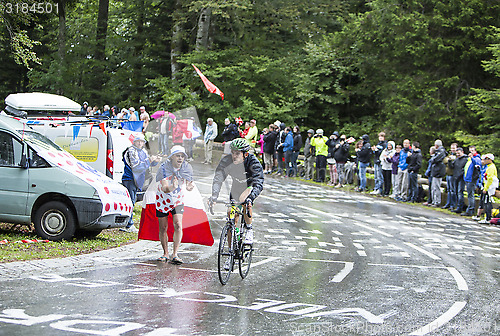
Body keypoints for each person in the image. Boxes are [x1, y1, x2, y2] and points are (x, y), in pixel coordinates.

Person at [209, 138, 264, 246]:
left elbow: (258, 182)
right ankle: (230, 252)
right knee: (231, 214)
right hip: (236, 187)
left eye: (237, 153)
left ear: (246, 154)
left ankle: (249, 229)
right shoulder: (227, 160)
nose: (234, 156)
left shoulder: (253, 162)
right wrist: (214, 195)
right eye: (233, 152)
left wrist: (251, 198)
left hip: (249, 186)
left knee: (244, 200)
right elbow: (218, 178)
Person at [155, 146, 194, 264]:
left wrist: (189, 186)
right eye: (178, 155)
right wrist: (173, 187)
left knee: (178, 224)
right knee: (163, 227)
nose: (180, 158)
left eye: (182, 156)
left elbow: (189, 183)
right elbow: (165, 188)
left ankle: (175, 254)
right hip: (163, 199)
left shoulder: (187, 167)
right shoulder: (164, 167)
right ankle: (165, 253)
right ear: (172, 157)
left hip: (177, 199)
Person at [122, 134, 160, 232]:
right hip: (130, 179)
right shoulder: (131, 151)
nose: (140, 143)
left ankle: (127, 223)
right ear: (134, 142)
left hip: (138, 180)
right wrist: (149, 160)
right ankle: (128, 225)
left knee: (133, 200)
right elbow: (137, 167)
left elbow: (147, 165)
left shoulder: (143, 151)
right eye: (138, 141)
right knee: (130, 201)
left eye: (142, 141)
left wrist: (155, 161)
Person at [461, 146, 481, 217]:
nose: (471, 152)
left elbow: (478, 166)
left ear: (475, 151)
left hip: (472, 180)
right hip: (467, 178)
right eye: (470, 151)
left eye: (472, 150)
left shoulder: (477, 158)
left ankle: (470, 210)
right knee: (469, 194)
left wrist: (472, 158)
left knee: (470, 195)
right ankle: (469, 209)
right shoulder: (469, 159)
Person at [478, 154, 498, 224]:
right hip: (488, 187)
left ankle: (488, 218)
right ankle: (487, 217)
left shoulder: (491, 167)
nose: (485, 160)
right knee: (486, 202)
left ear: (490, 159)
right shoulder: (489, 167)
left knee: (487, 203)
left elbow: (490, 179)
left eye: (486, 159)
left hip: (489, 188)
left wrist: (486, 188)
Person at [429, 139, 446, 207]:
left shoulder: (441, 152)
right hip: (435, 171)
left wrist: (433, 159)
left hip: (438, 172)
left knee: (436, 187)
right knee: (433, 187)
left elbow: (435, 159)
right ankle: (434, 201)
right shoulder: (437, 152)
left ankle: (437, 201)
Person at [451, 147, 468, 213]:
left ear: (462, 152)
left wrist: (460, 175)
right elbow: (452, 166)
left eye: (459, 153)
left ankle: (460, 207)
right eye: (457, 153)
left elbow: (464, 169)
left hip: (461, 178)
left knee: (460, 192)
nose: (457, 154)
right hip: (455, 177)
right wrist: (450, 161)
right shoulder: (456, 160)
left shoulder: (465, 159)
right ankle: (456, 205)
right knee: (455, 192)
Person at [442, 143, 458, 209]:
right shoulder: (449, 155)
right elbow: (444, 160)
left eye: (454, 148)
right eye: (452, 148)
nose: (452, 149)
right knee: (448, 190)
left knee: (452, 190)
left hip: (453, 175)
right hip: (448, 174)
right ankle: (448, 203)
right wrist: (449, 160)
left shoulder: (457, 156)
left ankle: (453, 204)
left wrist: (450, 160)